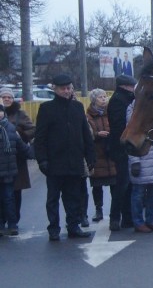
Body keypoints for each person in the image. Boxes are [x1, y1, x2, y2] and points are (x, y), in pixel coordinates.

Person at [33, 73, 95, 241]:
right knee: (53, 198)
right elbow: (40, 138)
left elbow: (85, 134)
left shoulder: (77, 107)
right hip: (54, 162)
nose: (67, 91)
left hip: (74, 161)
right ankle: (54, 228)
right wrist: (42, 160)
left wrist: (90, 155)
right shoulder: (46, 109)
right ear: (56, 89)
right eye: (63, 89)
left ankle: (73, 226)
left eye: (69, 88)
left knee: (73, 197)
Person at [127, 101, 153, 233]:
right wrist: (134, 161)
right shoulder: (133, 109)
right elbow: (130, 136)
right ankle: (138, 222)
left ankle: (151, 221)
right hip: (142, 157)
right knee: (138, 194)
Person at [0, 87, 34, 234]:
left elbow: (32, 129)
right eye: (4, 97)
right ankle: (3, 221)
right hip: (3, 159)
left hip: (17, 158)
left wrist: (19, 134)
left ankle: (14, 220)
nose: (7, 99)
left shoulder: (20, 114)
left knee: (15, 191)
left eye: (9, 97)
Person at [108, 74, 137, 231]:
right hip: (122, 147)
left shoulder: (126, 98)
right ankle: (115, 217)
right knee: (123, 184)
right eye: (132, 86)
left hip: (127, 146)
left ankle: (128, 217)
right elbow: (119, 125)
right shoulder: (119, 100)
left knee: (129, 184)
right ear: (125, 86)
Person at [86, 88, 117, 224]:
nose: (104, 99)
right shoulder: (88, 116)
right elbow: (87, 132)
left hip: (111, 153)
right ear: (94, 100)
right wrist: (97, 134)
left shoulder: (110, 112)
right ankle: (98, 209)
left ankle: (115, 210)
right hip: (97, 153)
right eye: (100, 97)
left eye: (105, 96)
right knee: (97, 185)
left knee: (114, 183)